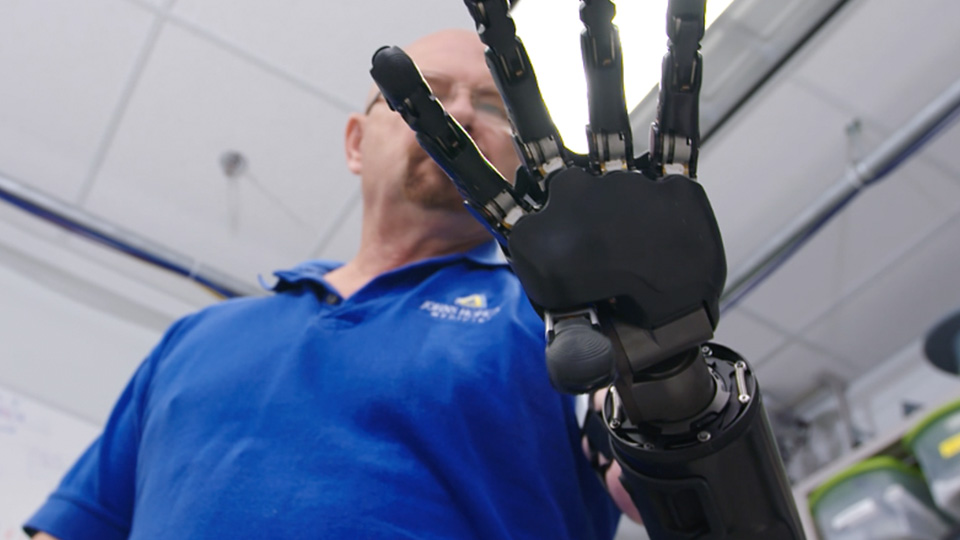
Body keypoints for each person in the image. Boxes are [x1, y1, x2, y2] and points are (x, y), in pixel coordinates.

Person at [24, 29, 624, 539]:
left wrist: (657, 357)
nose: (462, 115)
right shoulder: (196, 336)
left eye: (493, 107)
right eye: (426, 96)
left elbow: (649, 489)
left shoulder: (562, 318)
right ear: (356, 143)